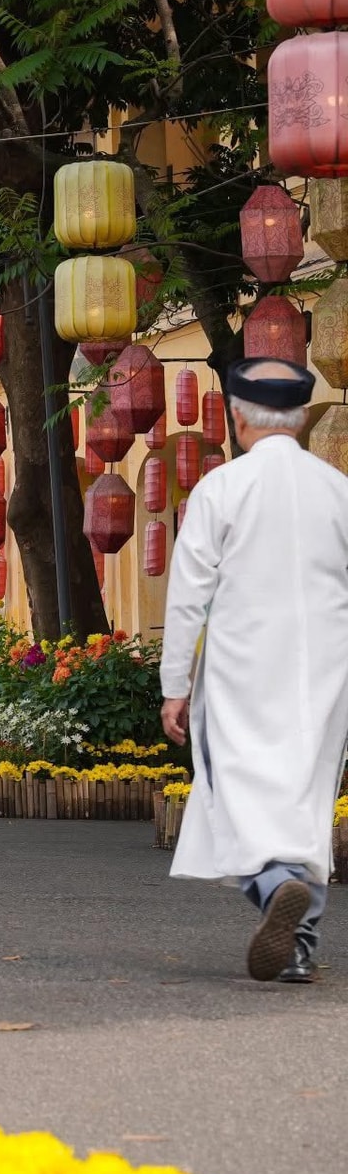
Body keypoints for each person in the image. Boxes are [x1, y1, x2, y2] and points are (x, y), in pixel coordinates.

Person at [162, 357, 348, 985]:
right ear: (300, 418)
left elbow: (188, 595)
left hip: (240, 669)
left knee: (234, 793)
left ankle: (272, 888)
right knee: (306, 800)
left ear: (238, 418)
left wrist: (174, 686)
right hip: (325, 668)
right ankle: (299, 945)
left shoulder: (221, 489)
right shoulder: (337, 488)